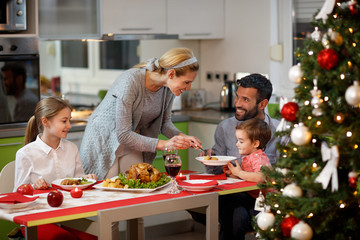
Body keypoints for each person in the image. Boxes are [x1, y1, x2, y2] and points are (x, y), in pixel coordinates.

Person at [80, 47, 203, 181]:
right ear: (171, 74)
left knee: (138, 184)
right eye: (187, 82)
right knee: (110, 191)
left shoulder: (168, 88)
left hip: (132, 139)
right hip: (105, 140)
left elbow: (164, 124)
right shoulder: (131, 81)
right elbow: (123, 134)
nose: (189, 88)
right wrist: (164, 144)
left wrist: (182, 137)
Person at [197, 73, 280, 240]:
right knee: (229, 207)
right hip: (232, 194)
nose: (237, 104)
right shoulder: (225, 127)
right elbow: (215, 170)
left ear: (262, 104)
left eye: (246, 100)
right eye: (237, 97)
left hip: (263, 197)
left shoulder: (280, 132)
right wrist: (210, 157)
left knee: (237, 215)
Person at [13, 96, 97, 191]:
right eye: (64, 121)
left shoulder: (72, 148)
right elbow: (18, 192)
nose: (69, 126)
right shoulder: (25, 154)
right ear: (45, 122)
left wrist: (86, 179)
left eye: (70, 120)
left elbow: (78, 180)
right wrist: (34, 186)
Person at [220, 118, 271, 240]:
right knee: (233, 209)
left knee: (228, 203)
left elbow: (259, 177)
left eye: (241, 141)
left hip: (262, 203)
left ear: (255, 144)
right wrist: (233, 174)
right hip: (250, 199)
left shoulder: (260, 158)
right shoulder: (248, 158)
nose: (237, 144)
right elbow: (246, 179)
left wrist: (240, 173)